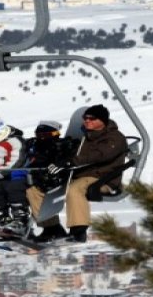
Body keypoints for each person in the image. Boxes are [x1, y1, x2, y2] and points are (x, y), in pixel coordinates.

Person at [26, 104, 127, 243]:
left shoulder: (114, 138)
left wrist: (69, 163)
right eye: (85, 118)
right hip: (78, 175)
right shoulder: (84, 136)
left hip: (102, 178)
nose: (87, 121)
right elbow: (71, 153)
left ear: (102, 120)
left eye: (92, 118)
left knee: (75, 189)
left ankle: (78, 231)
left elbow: (100, 155)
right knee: (35, 189)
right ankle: (52, 228)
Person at [0, 120, 74, 236]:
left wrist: (59, 165)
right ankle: (5, 221)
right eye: (39, 135)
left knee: (14, 187)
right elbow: (16, 142)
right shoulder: (31, 144)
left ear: (55, 134)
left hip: (38, 179)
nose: (42, 138)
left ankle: (22, 222)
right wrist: (5, 131)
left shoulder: (61, 145)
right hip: (17, 176)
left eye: (46, 135)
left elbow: (67, 160)